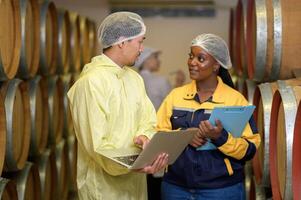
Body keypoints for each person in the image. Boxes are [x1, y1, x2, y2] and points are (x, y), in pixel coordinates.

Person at [67, 12, 168, 200]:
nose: (142, 49)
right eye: (140, 42)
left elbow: (148, 120)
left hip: (135, 185)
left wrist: (146, 137)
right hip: (103, 190)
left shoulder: (134, 78)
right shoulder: (91, 82)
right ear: (122, 42)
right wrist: (135, 164)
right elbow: (97, 146)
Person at [156, 33, 261, 200]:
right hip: (175, 188)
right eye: (191, 56)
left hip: (222, 190)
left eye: (201, 58)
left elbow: (250, 149)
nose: (192, 62)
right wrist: (185, 136)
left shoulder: (234, 100)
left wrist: (220, 137)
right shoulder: (175, 96)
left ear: (216, 65)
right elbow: (157, 135)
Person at [134, 47, 171, 200]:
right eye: (155, 57)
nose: (158, 61)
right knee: (156, 177)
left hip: (136, 138)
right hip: (157, 135)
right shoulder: (160, 81)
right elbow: (172, 107)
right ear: (147, 60)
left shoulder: (134, 80)